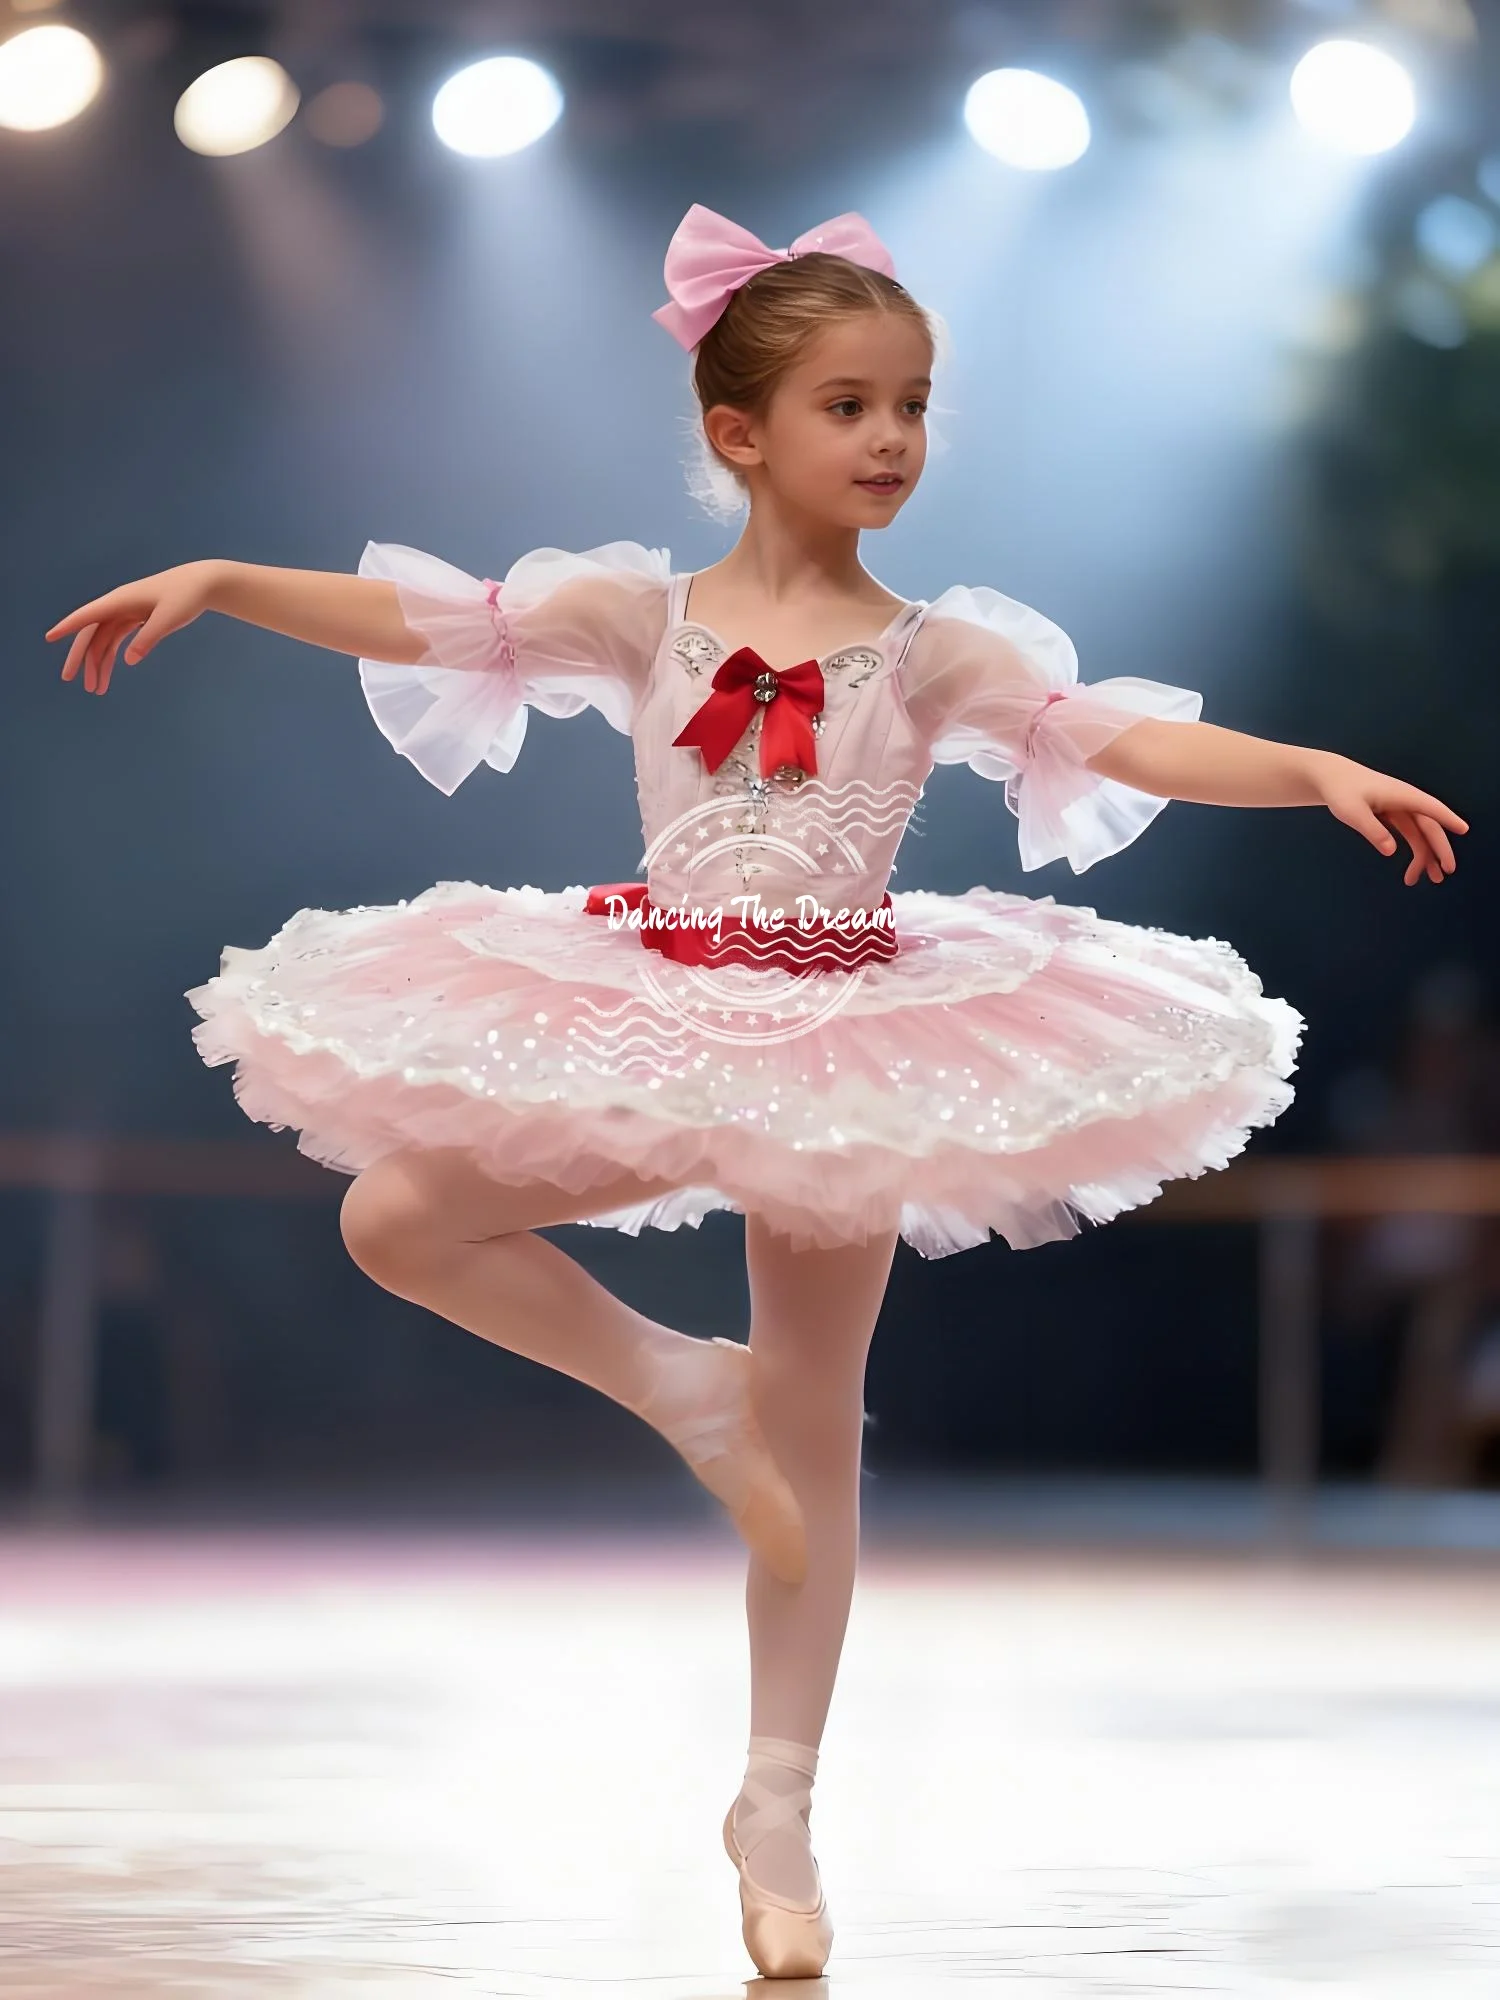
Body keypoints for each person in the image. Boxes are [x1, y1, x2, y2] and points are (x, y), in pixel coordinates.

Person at [46, 202, 1467, 1980]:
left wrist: (1311, 762)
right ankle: (675, 1392)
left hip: (851, 1039)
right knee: (396, 1209)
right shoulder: (636, 616)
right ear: (740, 432)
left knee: (820, 1431)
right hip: (652, 1002)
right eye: (849, 407)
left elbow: (1117, 737)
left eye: (914, 406)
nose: (890, 441)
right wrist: (227, 582)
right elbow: (429, 621)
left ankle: (776, 1808)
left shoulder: (936, 650)